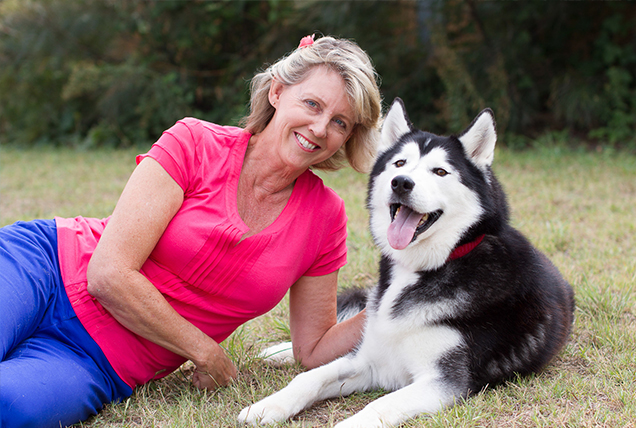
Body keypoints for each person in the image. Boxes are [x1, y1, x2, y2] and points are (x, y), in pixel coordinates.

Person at [0, 34, 382, 428]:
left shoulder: (326, 218)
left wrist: (400, 299)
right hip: (44, 269)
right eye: (312, 104)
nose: (320, 128)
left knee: (11, 408)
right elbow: (108, 275)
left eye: (340, 122)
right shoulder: (194, 142)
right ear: (278, 92)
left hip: (99, 360)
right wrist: (204, 352)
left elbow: (313, 349)